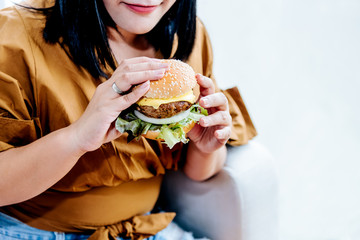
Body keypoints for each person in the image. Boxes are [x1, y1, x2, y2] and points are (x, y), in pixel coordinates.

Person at [0, 0, 257, 239]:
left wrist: (207, 147)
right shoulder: (15, 36)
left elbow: (199, 173)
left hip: (146, 228)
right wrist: (76, 138)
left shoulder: (187, 35)